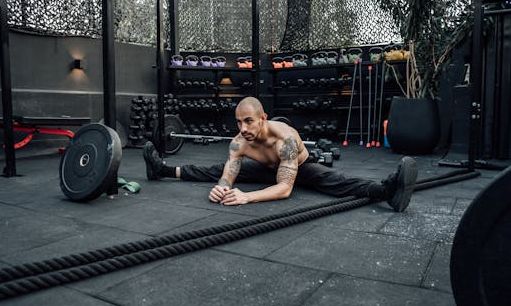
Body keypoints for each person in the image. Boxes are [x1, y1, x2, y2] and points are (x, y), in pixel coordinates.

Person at [143, 97, 418, 212]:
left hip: (298, 168)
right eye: (239, 122)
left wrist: (245, 197)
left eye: (249, 121)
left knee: (336, 181)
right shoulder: (239, 142)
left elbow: (285, 188)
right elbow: (229, 173)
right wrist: (222, 188)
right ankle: (163, 170)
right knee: (215, 169)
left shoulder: (285, 138)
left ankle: (387, 191)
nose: (243, 128)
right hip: (268, 170)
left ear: (262, 118)